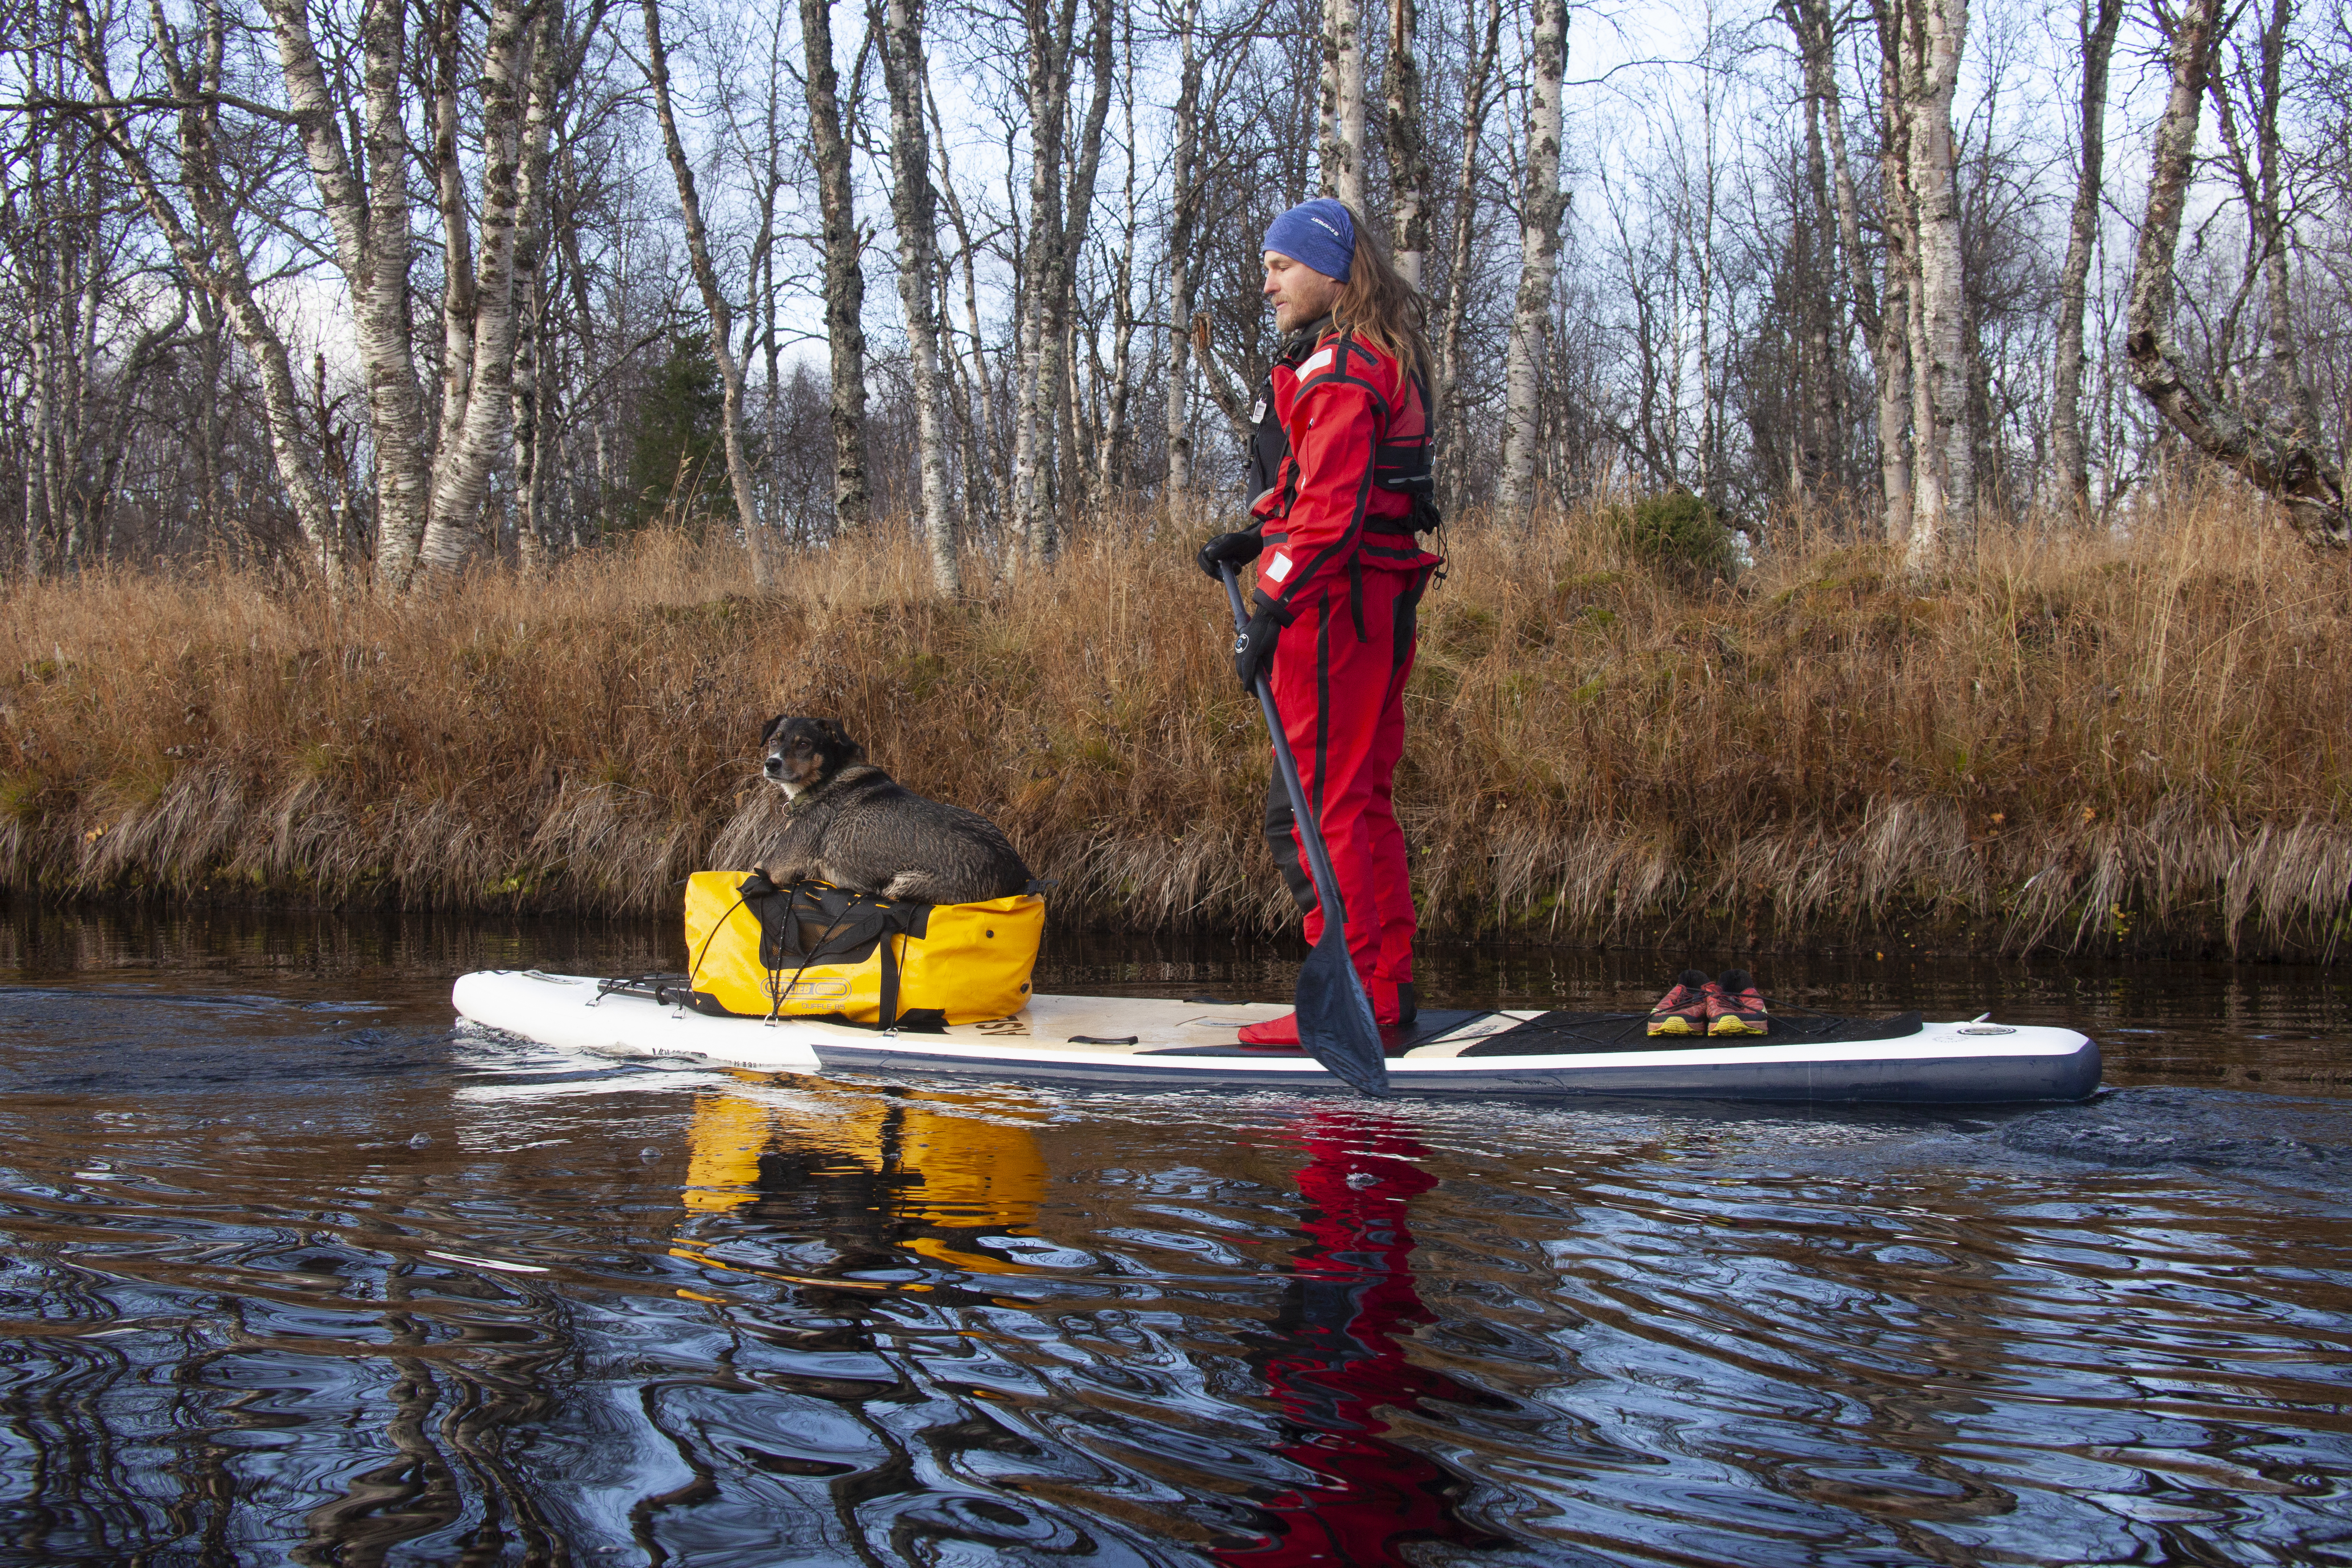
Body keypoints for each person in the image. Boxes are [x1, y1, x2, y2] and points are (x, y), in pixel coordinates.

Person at [1197, 199, 1442, 1044]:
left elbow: (1331, 517)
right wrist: (1256, 532)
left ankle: (1351, 1002)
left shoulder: (1339, 367)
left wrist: (1269, 607)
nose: (1266, 283)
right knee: (1360, 799)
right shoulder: (1364, 356)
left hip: (1336, 608)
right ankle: (1387, 984)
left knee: (1309, 811)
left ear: (1333, 273)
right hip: (1375, 600)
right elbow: (1316, 492)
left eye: (1280, 266)